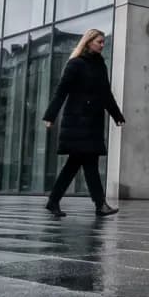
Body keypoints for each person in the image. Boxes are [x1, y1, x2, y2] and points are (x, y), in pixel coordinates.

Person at [40, 29, 123, 218]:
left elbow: (106, 94)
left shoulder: (101, 65)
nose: (102, 45)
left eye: (103, 42)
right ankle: (99, 204)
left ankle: (55, 201)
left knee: (77, 164)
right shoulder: (75, 64)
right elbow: (61, 91)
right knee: (86, 163)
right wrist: (50, 116)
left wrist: (117, 115)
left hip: (92, 122)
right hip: (77, 122)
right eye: (99, 42)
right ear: (89, 42)